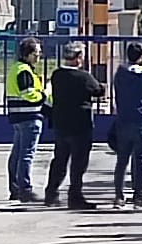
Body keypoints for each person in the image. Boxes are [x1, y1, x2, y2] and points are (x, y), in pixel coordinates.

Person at [43, 45, 105, 209]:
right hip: (80, 124)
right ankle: (75, 196)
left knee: (60, 160)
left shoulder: (57, 75)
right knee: (78, 162)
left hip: (61, 123)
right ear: (78, 57)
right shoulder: (84, 77)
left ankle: (51, 193)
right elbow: (98, 90)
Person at [109, 43, 142, 209]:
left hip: (123, 120)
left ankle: (119, 195)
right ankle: (139, 195)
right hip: (141, 120)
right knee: (141, 159)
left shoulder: (120, 73)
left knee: (122, 159)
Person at [6, 37, 46, 202]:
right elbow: (28, 93)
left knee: (17, 153)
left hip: (17, 117)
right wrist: (43, 96)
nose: (39, 57)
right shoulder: (24, 71)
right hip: (28, 116)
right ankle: (25, 189)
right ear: (29, 54)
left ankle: (15, 188)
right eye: (37, 53)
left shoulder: (15, 68)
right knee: (26, 154)